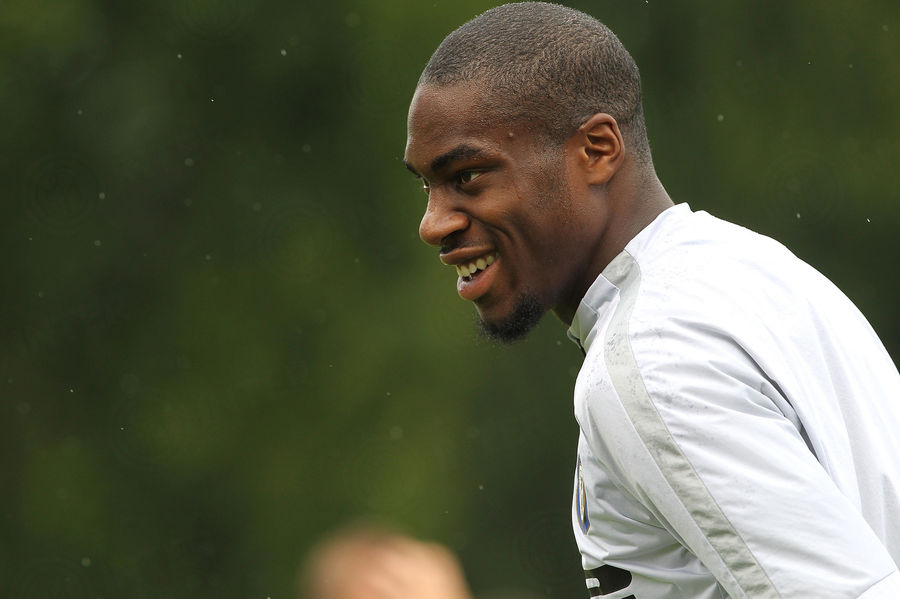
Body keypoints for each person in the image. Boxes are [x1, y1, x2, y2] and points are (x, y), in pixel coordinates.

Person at [409, 2, 900, 598]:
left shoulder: (650, 354)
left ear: (596, 149)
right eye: (427, 185)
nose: (432, 224)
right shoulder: (755, 270)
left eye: (467, 176)